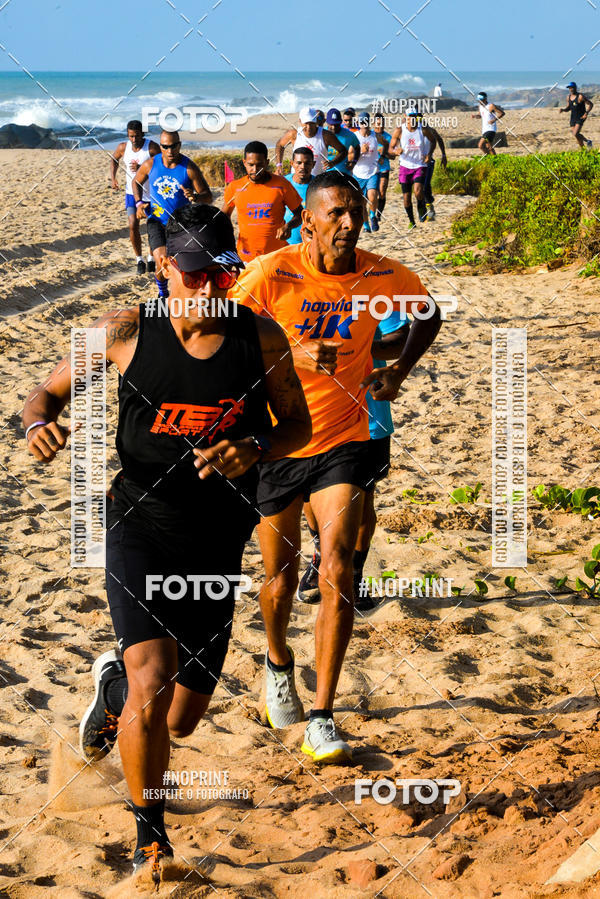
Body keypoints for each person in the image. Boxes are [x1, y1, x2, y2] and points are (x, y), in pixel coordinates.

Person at [23, 204, 311, 882]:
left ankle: (110, 685)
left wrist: (255, 445)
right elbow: (45, 393)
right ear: (162, 267)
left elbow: (296, 424)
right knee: (154, 684)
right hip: (139, 526)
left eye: (219, 274)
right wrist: (37, 424)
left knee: (179, 719)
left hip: (217, 541)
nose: (208, 288)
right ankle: (149, 842)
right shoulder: (123, 331)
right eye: (193, 274)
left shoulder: (260, 338)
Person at [230, 170, 441, 763]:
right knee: (278, 576)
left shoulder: (383, 274)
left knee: (339, 562)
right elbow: (223, 337)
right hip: (278, 441)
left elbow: (427, 314)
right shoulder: (272, 273)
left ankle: (322, 714)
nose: (350, 222)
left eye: (355, 211)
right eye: (337, 213)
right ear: (310, 220)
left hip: (344, 441)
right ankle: (277, 662)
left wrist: (396, 369)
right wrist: (292, 352)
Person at [297, 310, 411, 608]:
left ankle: (355, 573)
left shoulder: (375, 285)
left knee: (362, 502)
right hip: (312, 412)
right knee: (308, 494)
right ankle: (321, 553)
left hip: (368, 415)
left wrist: (358, 346)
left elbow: (401, 337)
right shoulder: (294, 280)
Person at [132, 130, 212, 298]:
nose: (170, 151)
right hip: (157, 222)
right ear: (160, 146)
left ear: (179, 145)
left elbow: (208, 196)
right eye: (165, 146)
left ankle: (182, 294)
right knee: (162, 262)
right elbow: (136, 182)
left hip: (182, 223)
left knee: (183, 266)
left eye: (173, 146)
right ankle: (163, 293)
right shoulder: (150, 165)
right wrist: (139, 203)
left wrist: (195, 196)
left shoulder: (189, 168)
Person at [223, 140, 303, 263]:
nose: (255, 169)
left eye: (259, 165)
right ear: (244, 163)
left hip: (276, 256)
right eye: (250, 165)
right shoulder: (235, 187)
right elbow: (224, 217)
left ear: (266, 163)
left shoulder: (282, 185)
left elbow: (300, 214)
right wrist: (227, 240)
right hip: (246, 258)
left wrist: (289, 226)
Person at [110, 120, 160, 275]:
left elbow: (162, 165)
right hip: (132, 194)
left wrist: (143, 169)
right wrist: (113, 178)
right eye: (131, 136)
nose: (134, 139)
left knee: (154, 228)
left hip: (152, 195)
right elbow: (113, 160)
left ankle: (151, 258)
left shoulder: (151, 147)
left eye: (137, 136)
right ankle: (139, 259)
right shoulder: (123, 147)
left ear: (142, 134)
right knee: (133, 224)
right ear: (127, 134)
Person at [389, 111, 436, 228]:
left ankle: (421, 208)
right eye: (410, 117)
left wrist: (429, 154)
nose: (412, 119)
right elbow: (390, 148)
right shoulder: (399, 130)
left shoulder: (423, 129)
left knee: (418, 191)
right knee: (406, 198)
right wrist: (395, 151)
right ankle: (411, 221)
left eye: (414, 117)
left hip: (420, 165)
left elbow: (433, 141)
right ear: (405, 117)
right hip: (405, 166)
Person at [276, 107, 346, 176]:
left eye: (311, 123)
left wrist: (333, 162)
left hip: (318, 181)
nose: (309, 127)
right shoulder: (294, 134)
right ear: (300, 121)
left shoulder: (326, 135)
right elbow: (280, 145)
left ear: (316, 121)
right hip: (296, 180)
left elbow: (343, 151)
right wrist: (279, 165)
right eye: (306, 123)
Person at [352, 112, 387, 234]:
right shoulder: (354, 137)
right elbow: (350, 156)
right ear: (358, 124)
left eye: (366, 122)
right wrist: (360, 151)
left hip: (373, 172)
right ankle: (366, 224)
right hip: (358, 174)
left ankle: (373, 216)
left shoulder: (375, 136)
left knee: (372, 195)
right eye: (362, 122)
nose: (364, 125)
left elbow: (386, 144)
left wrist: (382, 155)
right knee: (361, 203)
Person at [284, 147, 315, 245]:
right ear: (292, 164)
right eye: (299, 163)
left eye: (307, 163)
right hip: (285, 243)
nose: (302, 167)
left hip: (310, 243)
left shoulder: (319, 186)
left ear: (313, 164)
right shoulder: (282, 184)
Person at [420, 119, 447, 221]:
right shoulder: (410, 131)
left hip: (429, 162)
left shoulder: (430, 130)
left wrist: (443, 155)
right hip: (416, 164)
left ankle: (429, 207)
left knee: (425, 185)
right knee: (420, 186)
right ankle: (426, 206)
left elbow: (439, 140)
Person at [325, 107, 361, 177]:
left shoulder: (350, 135)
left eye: (336, 124)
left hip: (343, 174)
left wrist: (353, 162)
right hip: (325, 174)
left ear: (341, 122)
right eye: (331, 124)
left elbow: (357, 148)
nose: (333, 127)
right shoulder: (322, 133)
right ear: (327, 122)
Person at [372, 112, 392, 223]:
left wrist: (384, 153)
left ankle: (378, 215)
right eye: (378, 123)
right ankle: (372, 213)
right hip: (372, 168)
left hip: (384, 166)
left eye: (382, 124)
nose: (380, 126)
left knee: (382, 192)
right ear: (374, 124)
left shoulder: (388, 137)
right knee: (373, 193)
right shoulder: (370, 135)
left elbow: (392, 156)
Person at [560, 82, 593, 149]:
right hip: (573, 118)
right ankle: (584, 149)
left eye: (572, 88)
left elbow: (591, 104)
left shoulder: (580, 96)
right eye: (569, 88)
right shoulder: (568, 97)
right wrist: (563, 110)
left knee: (575, 133)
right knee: (576, 135)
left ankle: (587, 141)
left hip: (581, 117)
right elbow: (569, 108)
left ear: (575, 88)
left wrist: (586, 113)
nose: (571, 89)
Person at [471, 92, 505, 156]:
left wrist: (494, 120)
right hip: (484, 129)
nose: (480, 101)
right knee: (489, 147)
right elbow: (480, 116)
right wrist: (475, 116)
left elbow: (502, 113)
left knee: (480, 145)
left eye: (481, 99)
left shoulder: (491, 106)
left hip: (491, 129)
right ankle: (493, 160)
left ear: (485, 99)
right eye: (479, 100)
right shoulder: (480, 106)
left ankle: (489, 158)